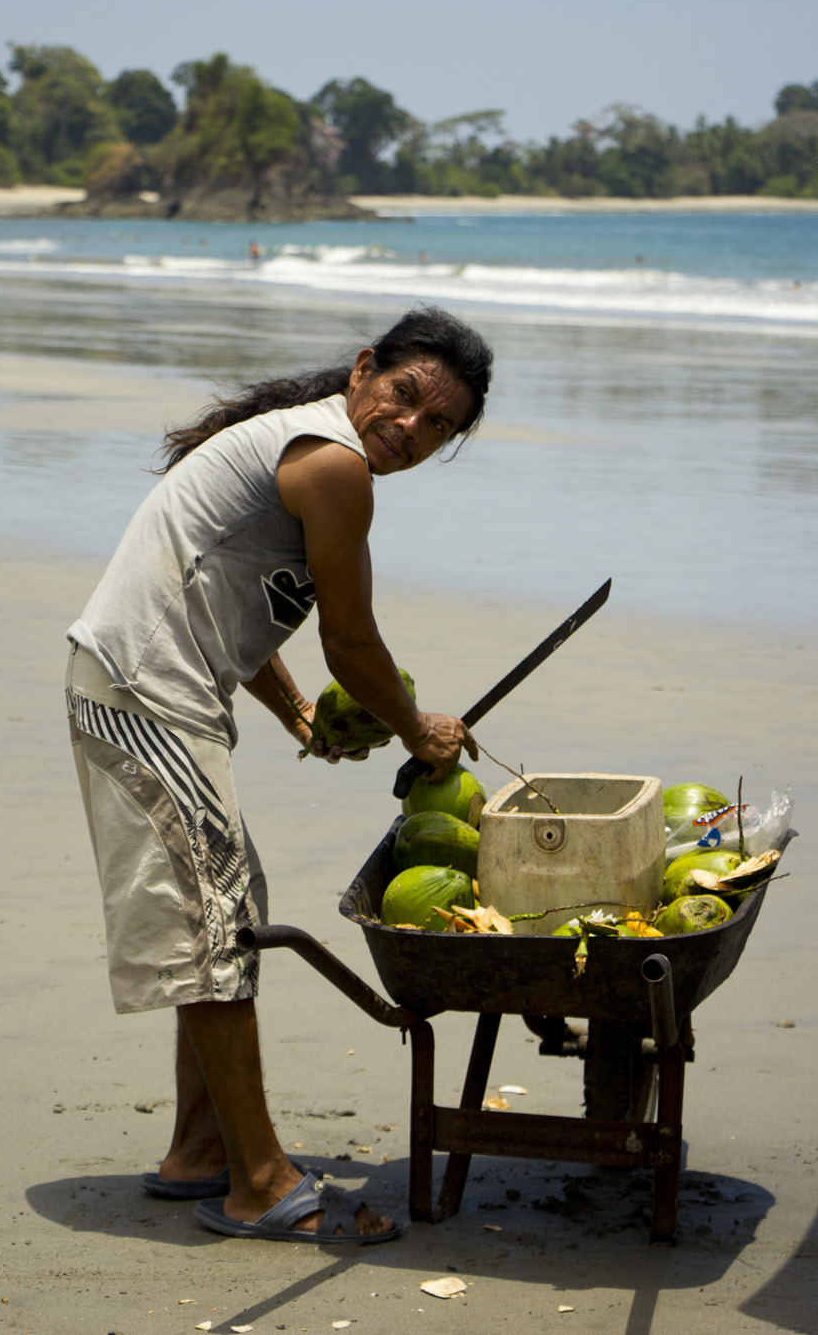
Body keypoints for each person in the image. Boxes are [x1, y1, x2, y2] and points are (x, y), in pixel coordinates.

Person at [65, 305, 492, 1244]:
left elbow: (227, 604)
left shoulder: (305, 451)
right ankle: (258, 1183)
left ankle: (199, 1149)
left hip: (141, 685)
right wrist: (418, 730)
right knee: (218, 924)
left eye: (437, 427)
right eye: (406, 396)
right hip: (147, 693)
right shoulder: (333, 461)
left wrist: (300, 715)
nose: (410, 427)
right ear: (364, 370)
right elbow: (353, 641)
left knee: (227, 905)